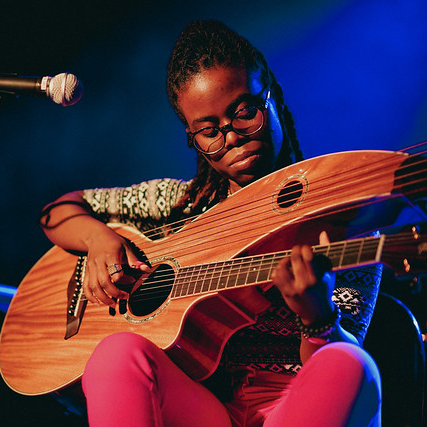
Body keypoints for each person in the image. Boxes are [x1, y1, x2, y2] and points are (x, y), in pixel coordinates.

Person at [39, 19, 382, 426]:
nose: (231, 137)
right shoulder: (178, 202)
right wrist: (98, 241)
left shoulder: (340, 216)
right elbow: (56, 213)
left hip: (294, 405)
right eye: (208, 131)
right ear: (192, 137)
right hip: (200, 406)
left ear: (272, 97)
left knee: (349, 364)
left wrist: (317, 318)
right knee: (115, 353)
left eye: (244, 113)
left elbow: (335, 356)